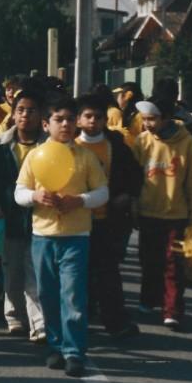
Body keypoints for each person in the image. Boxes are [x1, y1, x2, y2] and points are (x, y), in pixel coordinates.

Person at [15, 96, 108, 377]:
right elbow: (19, 192)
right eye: (59, 119)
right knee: (48, 295)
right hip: (43, 236)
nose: (65, 124)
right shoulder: (35, 155)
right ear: (46, 124)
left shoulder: (86, 157)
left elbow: (102, 193)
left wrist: (80, 200)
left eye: (70, 119)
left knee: (73, 295)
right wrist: (35, 195)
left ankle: (74, 351)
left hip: (76, 236)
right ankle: (55, 347)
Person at [74, 94, 142, 339]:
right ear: (78, 120)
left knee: (108, 275)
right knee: (77, 275)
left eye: (98, 117)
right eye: (87, 116)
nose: (93, 121)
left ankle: (115, 321)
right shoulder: (69, 145)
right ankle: (80, 319)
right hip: (75, 222)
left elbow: (135, 176)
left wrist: (125, 197)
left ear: (105, 120)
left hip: (107, 221)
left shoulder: (117, 145)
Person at [133, 97, 192, 331]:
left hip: (176, 214)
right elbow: (134, 179)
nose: (147, 124)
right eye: (144, 119)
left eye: (152, 119)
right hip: (147, 212)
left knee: (173, 264)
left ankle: (172, 308)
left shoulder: (187, 142)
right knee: (149, 260)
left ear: (165, 118)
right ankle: (148, 299)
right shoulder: (141, 141)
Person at [0, 88, 47, 343]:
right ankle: (14, 317)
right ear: (13, 113)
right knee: (12, 270)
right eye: (20, 110)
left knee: (35, 272)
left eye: (31, 111)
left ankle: (39, 324)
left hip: (40, 217)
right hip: (8, 217)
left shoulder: (49, 146)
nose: (25, 116)